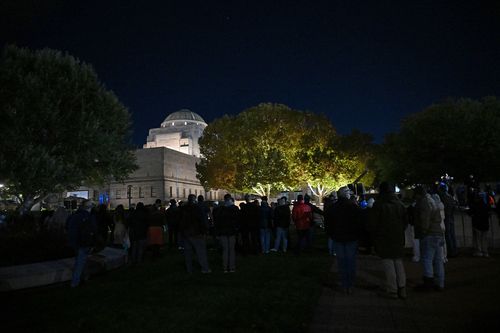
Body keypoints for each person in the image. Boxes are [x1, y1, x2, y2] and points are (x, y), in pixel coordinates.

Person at [369, 182, 408, 299]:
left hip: (384, 237)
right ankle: (402, 287)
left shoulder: (379, 204)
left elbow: (373, 223)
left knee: (388, 263)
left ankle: (392, 289)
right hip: (397, 237)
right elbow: (405, 222)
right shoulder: (400, 204)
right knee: (398, 262)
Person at [324, 187, 361, 294]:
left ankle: (345, 284)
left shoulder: (333, 208)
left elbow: (328, 224)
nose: (350, 193)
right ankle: (350, 284)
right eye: (348, 192)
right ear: (345, 194)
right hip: (351, 238)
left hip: (338, 238)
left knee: (341, 262)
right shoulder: (353, 207)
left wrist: (331, 234)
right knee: (350, 261)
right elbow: (359, 223)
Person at [414, 186, 445, 291]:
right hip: (438, 232)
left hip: (429, 234)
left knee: (427, 259)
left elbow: (424, 219)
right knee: (438, 260)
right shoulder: (433, 200)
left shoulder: (424, 202)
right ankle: (440, 283)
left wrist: (423, 231)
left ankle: (428, 282)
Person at [66, 200, 97, 288]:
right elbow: (94, 230)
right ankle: (75, 283)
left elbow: (67, 226)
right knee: (80, 262)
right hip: (85, 242)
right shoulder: (89, 217)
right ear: (89, 207)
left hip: (75, 242)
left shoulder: (74, 216)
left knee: (82, 260)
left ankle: (85, 278)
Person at [179, 194, 211, 273]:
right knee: (201, 252)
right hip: (196, 232)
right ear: (194, 200)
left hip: (186, 232)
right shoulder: (197, 208)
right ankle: (205, 268)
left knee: (188, 253)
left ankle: (189, 269)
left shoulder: (183, 208)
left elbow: (180, 221)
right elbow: (202, 220)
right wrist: (205, 230)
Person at [213, 193, 239, 272]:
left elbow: (217, 222)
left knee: (225, 250)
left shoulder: (220, 209)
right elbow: (237, 220)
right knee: (231, 250)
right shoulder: (235, 209)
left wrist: (217, 233)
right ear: (230, 199)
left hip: (223, 232)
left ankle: (225, 267)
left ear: (224, 200)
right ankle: (232, 267)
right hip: (231, 231)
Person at [438, 183, 458, 257]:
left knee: (448, 235)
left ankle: (451, 251)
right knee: (452, 234)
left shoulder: (442, 197)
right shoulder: (450, 197)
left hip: (446, 217)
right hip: (451, 216)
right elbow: (454, 206)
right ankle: (454, 250)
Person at [468, 191, 490, 258]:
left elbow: (470, 212)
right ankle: (485, 252)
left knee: (478, 239)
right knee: (484, 239)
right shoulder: (486, 205)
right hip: (485, 224)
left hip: (477, 224)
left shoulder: (475, 205)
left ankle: (479, 251)